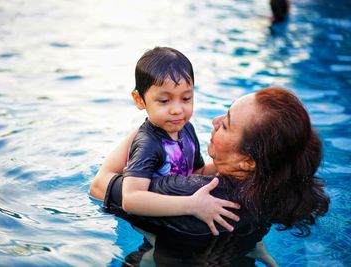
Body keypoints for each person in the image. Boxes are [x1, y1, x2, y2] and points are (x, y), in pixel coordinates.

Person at [90, 87, 329, 265]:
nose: (215, 122)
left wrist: (149, 129)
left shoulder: (192, 194)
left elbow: (100, 186)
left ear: (248, 162)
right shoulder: (278, 184)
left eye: (226, 125)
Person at [90, 46, 240, 235]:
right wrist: (191, 205)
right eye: (164, 101)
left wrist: (229, 165)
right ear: (139, 100)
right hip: (145, 217)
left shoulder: (186, 129)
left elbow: (196, 172)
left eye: (186, 98)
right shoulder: (148, 143)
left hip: (172, 203)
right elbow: (131, 199)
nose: (177, 109)